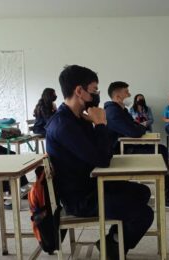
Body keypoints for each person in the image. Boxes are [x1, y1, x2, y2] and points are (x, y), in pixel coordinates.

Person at [46, 65, 153, 259]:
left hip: (92, 184)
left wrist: (94, 125)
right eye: (94, 90)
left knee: (143, 192)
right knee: (144, 214)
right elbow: (103, 159)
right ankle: (112, 248)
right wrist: (101, 124)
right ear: (79, 91)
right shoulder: (64, 125)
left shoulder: (77, 119)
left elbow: (103, 152)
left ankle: (112, 240)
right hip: (80, 199)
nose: (97, 96)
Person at [104, 82, 169, 209]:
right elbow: (134, 130)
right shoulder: (113, 112)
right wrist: (140, 127)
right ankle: (166, 196)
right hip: (120, 151)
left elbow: (135, 125)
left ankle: (168, 191)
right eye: (126, 92)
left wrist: (138, 127)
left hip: (126, 146)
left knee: (162, 149)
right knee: (161, 151)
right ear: (118, 96)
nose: (129, 94)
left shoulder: (121, 110)